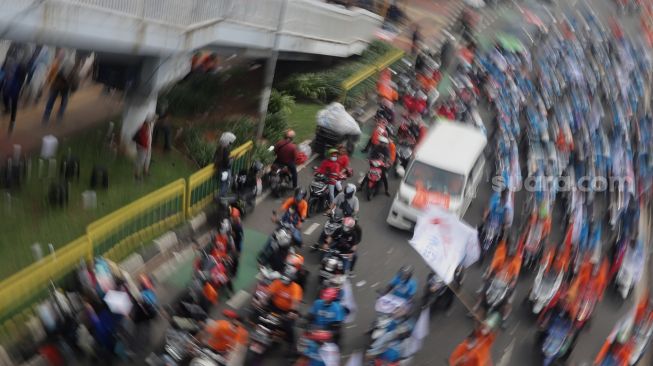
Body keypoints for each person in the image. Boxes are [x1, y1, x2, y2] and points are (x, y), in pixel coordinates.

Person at [267, 270, 303, 350]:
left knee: (288, 327)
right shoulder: (277, 282)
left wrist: (292, 312)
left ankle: (292, 346)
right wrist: (261, 302)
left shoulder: (295, 288)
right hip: (275, 308)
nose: (283, 283)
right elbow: (269, 293)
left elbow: (295, 302)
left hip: (288, 311)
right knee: (267, 322)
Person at [42, 50, 78, 124]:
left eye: (60, 55)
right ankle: (47, 117)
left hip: (64, 86)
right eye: (59, 55)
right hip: (57, 86)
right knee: (52, 101)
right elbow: (50, 74)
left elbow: (74, 78)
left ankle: (57, 116)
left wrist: (73, 88)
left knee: (62, 102)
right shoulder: (56, 63)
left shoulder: (69, 64)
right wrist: (48, 82)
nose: (59, 57)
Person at [3, 54, 27, 135]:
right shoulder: (9, 62)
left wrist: (20, 88)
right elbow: (5, 71)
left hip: (16, 87)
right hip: (8, 84)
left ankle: (12, 121)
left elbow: (23, 79)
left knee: (14, 103)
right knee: (5, 97)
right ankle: (7, 109)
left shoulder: (22, 66)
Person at [133, 115, 155, 180]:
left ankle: (145, 172)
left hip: (147, 147)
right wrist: (146, 146)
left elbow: (148, 137)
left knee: (147, 159)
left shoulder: (148, 126)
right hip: (143, 147)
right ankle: (136, 175)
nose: (152, 122)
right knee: (140, 161)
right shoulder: (143, 127)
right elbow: (142, 139)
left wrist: (149, 146)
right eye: (151, 121)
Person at [214, 131, 236, 196]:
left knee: (223, 183)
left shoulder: (219, 149)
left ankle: (222, 197)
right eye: (230, 142)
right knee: (227, 183)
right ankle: (220, 197)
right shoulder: (226, 150)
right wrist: (232, 159)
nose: (230, 143)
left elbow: (216, 157)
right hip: (225, 169)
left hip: (220, 169)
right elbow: (227, 162)